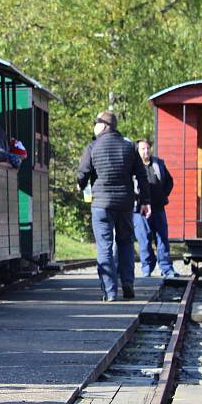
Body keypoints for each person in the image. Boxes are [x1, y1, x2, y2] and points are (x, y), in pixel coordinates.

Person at [77, 111, 151, 302]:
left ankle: (110, 292)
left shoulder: (92, 146)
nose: (94, 126)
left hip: (101, 204)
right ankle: (127, 284)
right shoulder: (129, 147)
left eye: (96, 123)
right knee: (126, 243)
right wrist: (145, 201)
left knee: (104, 247)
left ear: (103, 126)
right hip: (125, 203)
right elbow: (142, 176)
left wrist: (81, 184)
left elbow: (83, 173)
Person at [133, 138, 178, 278]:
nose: (146, 151)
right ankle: (147, 267)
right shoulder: (133, 165)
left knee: (162, 238)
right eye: (142, 149)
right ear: (137, 150)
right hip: (140, 210)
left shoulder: (158, 163)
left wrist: (163, 195)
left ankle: (166, 268)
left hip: (158, 208)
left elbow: (169, 181)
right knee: (144, 240)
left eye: (148, 148)